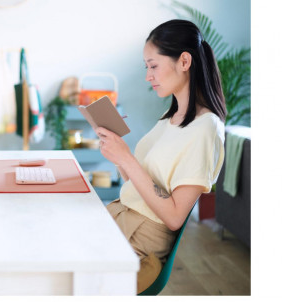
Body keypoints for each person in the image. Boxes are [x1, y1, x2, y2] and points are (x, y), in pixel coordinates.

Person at [95, 19, 227, 294]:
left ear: (184, 61)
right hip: (120, 219)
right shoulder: (170, 118)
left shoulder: (206, 127)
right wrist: (118, 153)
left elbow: (176, 216)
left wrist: (127, 159)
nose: (148, 76)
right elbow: (141, 181)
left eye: (153, 66)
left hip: (140, 244)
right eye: (147, 67)